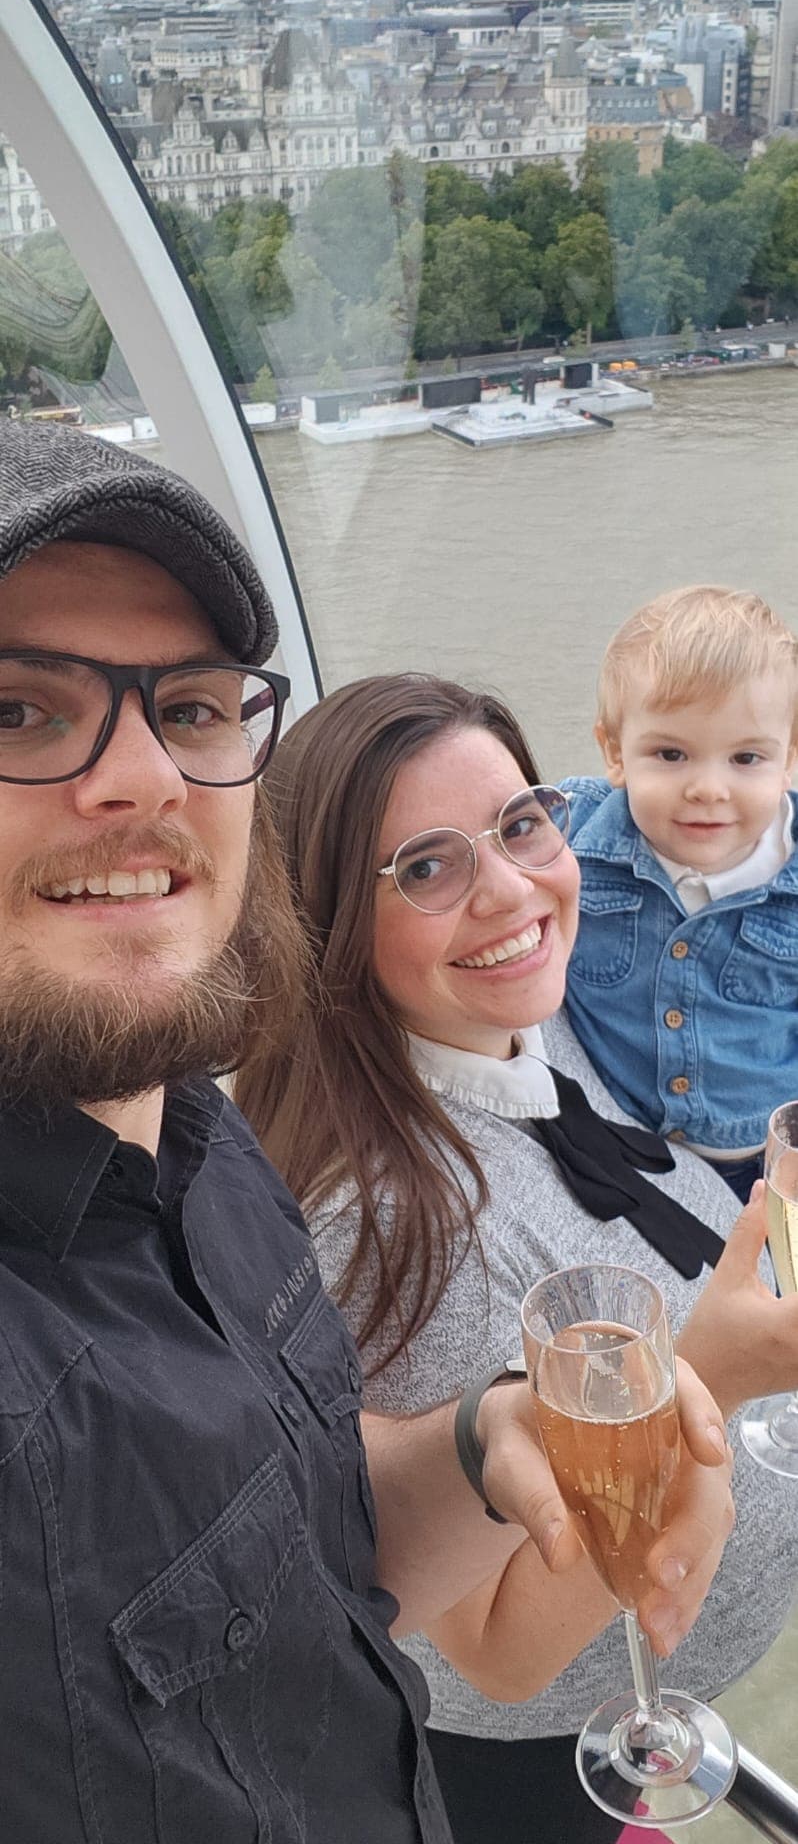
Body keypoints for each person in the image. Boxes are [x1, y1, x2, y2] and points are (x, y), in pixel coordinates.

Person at [0, 423, 731, 1844]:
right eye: (19, 709)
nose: (145, 777)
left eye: (191, 707)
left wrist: (483, 1438)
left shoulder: (204, 1144)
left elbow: (306, 1544)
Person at [236, 670, 798, 1844]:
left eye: (521, 823)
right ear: (328, 923)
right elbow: (497, 1649)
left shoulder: (519, 1015)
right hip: (565, 1755)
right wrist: (715, 1372)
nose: (511, 889)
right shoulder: (385, 1225)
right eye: (426, 868)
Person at [562, 584, 798, 1201]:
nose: (708, 789)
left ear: (789, 758)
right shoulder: (573, 836)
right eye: (671, 754)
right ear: (614, 752)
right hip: (615, 1147)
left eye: (746, 758)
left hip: (761, 1163)